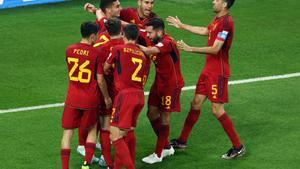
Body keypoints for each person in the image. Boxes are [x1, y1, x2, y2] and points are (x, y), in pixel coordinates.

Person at [166, 0, 246, 159]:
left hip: (218, 72)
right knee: (195, 103)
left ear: (224, 4)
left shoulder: (226, 22)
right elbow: (206, 30)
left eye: (217, 0)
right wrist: (182, 26)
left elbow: (216, 49)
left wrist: (191, 48)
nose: (213, 1)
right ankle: (182, 141)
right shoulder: (217, 20)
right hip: (208, 70)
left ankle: (238, 146)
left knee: (217, 110)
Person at [77, 0, 122, 165]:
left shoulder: (102, 30)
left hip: (90, 83)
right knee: (109, 124)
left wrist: (95, 10)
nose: (121, 8)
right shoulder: (118, 45)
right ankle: (107, 158)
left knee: (96, 119)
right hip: (110, 88)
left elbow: (100, 17)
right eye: (117, 6)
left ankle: (88, 149)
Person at [139, 18, 184, 164]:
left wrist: (130, 45)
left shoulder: (167, 42)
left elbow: (149, 50)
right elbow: (134, 28)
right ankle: (166, 146)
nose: (148, 35)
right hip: (159, 83)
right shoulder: (153, 36)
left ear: (159, 31)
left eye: (150, 33)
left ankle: (158, 154)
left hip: (171, 85)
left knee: (165, 117)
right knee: (151, 113)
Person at [104, 24, 148, 169]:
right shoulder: (143, 55)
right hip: (140, 96)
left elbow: (105, 68)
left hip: (125, 96)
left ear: (123, 35)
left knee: (115, 136)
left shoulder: (118, 49)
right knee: (126, 132)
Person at [60, 21, 99, 169]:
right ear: (92, 36)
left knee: (67, 133)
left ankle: (65, 167)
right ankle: (86, 164)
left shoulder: (69, 49)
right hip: (90, 98)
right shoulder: (96, 53)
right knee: (92, 129)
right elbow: (100, 78)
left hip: (72, 97)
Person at [95, 17, 124, 169]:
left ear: (106, 31)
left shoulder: (100, 49)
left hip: (107, 93)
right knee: (124, 128)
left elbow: (99, 77)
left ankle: (108, 162)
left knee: (105, 126)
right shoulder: (129, 46)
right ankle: (125, 160)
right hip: (125, 93)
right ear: (121, 30)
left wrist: (106, 97)